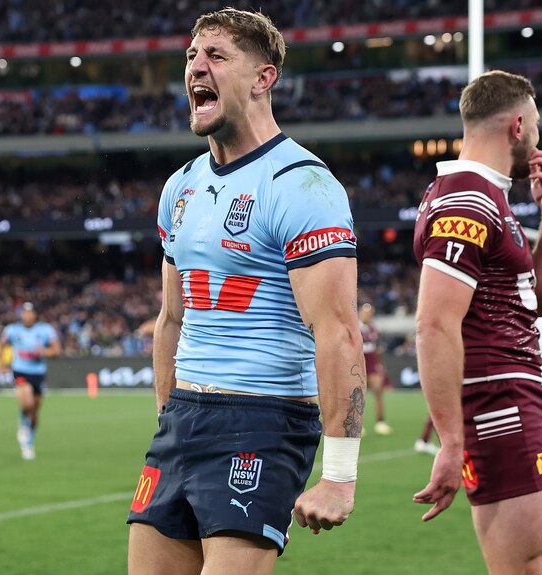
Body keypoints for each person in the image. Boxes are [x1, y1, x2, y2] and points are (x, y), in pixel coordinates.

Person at [126, 9, 364, 575]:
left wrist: (339, 475)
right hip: (183, 419)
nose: (195, 68)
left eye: (215, 55)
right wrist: (167, 417)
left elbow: (337, 330)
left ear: (264, 77)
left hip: (264, 417)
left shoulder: (302, 184)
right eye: (190, 57)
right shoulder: (180, 186)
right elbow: (171, 319)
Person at [412, 70, 542, 574]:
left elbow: (541, 301)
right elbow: (433, 325)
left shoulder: (491, 198)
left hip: (522, 400)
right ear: (517, 125)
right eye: (535, 124)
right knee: (527, 568)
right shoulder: (468, 199)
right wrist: (451, 441)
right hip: (496, 407)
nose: (537, 136)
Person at [0, 302, 60, 460]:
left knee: (35, 410)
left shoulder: (45, 330)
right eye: (24, 313)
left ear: (35, 315)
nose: (27, 316)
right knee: (26, 402)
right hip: (20, 370)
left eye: (30, 313)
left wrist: (44, 351)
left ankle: (29, 441)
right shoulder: (12, 330)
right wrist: (1, 364)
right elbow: (1, 345)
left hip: (38, 373)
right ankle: (22, 425)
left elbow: (56, 351)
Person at [360, 302, 392, 435]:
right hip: (359, 363)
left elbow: (377, 347)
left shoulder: (373, 328)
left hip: (372, 363)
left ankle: (380, 422)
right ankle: (358, 425)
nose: (368, 315)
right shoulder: (355, 327)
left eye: (370, 313)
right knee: (359, 395)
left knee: (378, 391)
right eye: (366, 312)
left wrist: (379, 364)